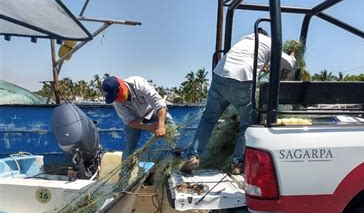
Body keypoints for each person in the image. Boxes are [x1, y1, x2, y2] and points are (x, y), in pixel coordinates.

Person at [180, 28, 296, 174]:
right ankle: (237, 163)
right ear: (266, 35)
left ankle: (193, 155)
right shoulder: (270, 42)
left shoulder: (245, 39)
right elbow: (289, 64)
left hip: (220, 75)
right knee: (246, 125)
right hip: (242, 79)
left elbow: (250, 59)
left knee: (208, 119)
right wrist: (292, 54)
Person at [102, 75, 170, 162]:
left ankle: (179, 155)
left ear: (121, 87)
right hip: (135, 119)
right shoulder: (117, 103)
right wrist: (148, 127)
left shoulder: (139, 84)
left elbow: (159, 104)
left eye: (116, 96)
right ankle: (125, 173)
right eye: (114, 99)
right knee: (129, 148)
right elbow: (129, 121)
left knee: (170, 124)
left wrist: (161, 126)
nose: (117, 100)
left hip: (151, 111)